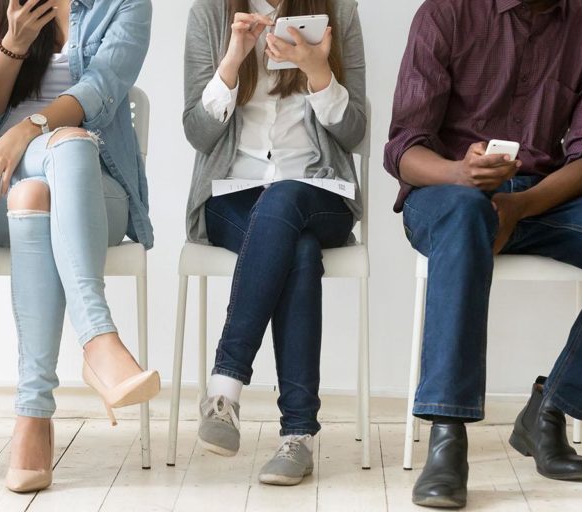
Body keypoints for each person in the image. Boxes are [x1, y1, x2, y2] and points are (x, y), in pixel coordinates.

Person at [385, 0, 582, 507]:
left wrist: (518, 207)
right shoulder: (446, 13)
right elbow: (404, 149)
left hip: (539, 199)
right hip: (445, 194)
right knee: (464, 212)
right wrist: (461, 174)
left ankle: (550, 409)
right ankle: (447, 437)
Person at [0, 0, 157, 493]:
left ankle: (32, 415)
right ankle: (99, 344)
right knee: (34, 185)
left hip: (90, 190)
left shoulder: (126, 4)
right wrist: (12, 46)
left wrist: (28, 129)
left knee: (68, 149)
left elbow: (103, 91)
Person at [183, 0, 366, 486]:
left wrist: (318, 71)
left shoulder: (337, 11)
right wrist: (232, 60)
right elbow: (197, 134)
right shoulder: (210, 13)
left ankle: (224, 389)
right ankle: (299, 435)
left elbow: (356, 131)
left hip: (319, 191)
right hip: (232, 195)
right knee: (299, 251)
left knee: (285, 201)